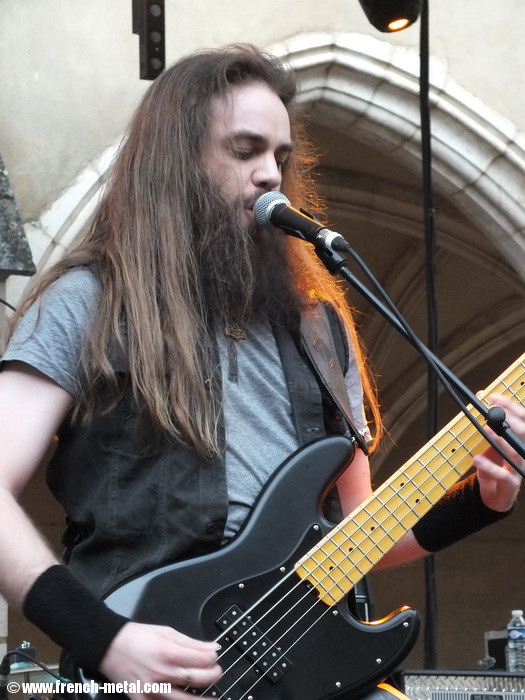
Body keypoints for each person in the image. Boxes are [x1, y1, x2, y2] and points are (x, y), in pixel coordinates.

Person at [0, 44, 522, 699]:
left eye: (280, 156)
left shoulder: (317, 328)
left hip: (300, 671)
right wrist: (106, 638)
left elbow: (358, 534)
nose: (270, 174)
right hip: (152, 671)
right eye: (244, 150)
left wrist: (481, 499)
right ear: (176, 160)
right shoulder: (88, 301)